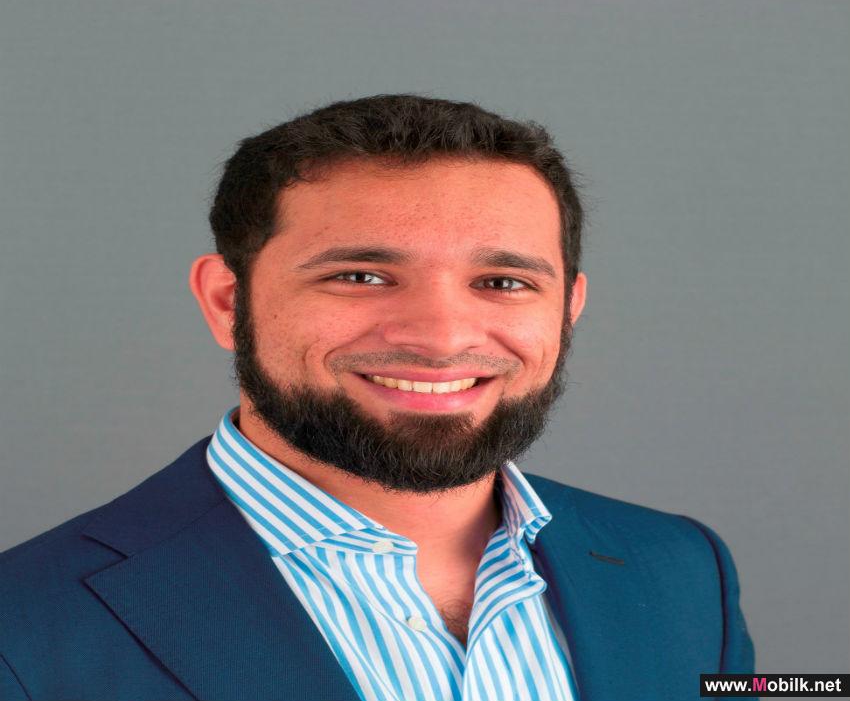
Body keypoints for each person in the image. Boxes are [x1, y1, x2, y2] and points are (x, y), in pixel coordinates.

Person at [0, 94, 754, 701]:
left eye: (502, 282)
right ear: (228, 302)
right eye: (360, 276)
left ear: (568, 308)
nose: (440, 337)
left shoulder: (683, 569)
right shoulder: (24, 623)